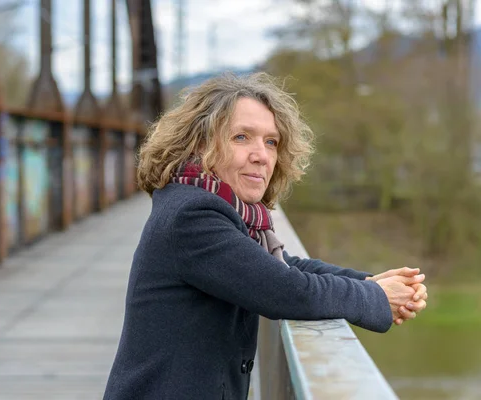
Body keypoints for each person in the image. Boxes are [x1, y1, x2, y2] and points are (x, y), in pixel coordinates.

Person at [103, 73, 428, 400]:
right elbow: (285, 290)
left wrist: (372, 283)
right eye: (242, 137)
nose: (262, 155)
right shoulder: (193, 216)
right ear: (199, 144)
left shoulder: (216, 207)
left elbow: (285, 266)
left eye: (271, 141)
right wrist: (375, 298)